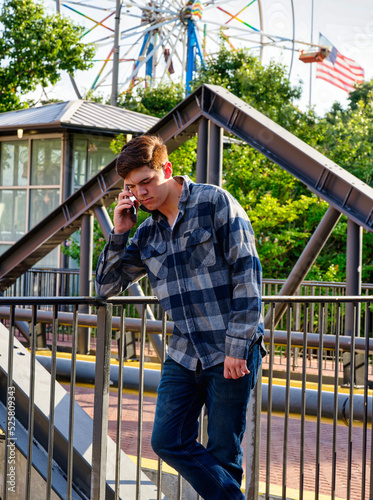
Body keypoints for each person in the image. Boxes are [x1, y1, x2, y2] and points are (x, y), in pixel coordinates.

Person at [95, 135, 265, 499]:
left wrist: (238, 346)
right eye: (131, 187)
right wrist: (120, 232)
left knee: (224, 451)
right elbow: (107, 287)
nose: (140, 193)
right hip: (184, 352)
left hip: (229, 350)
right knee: (167, 440)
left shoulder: (214, 202)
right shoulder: (146, 231)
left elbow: (247, 275)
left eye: (146, 182)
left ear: (166, 170)